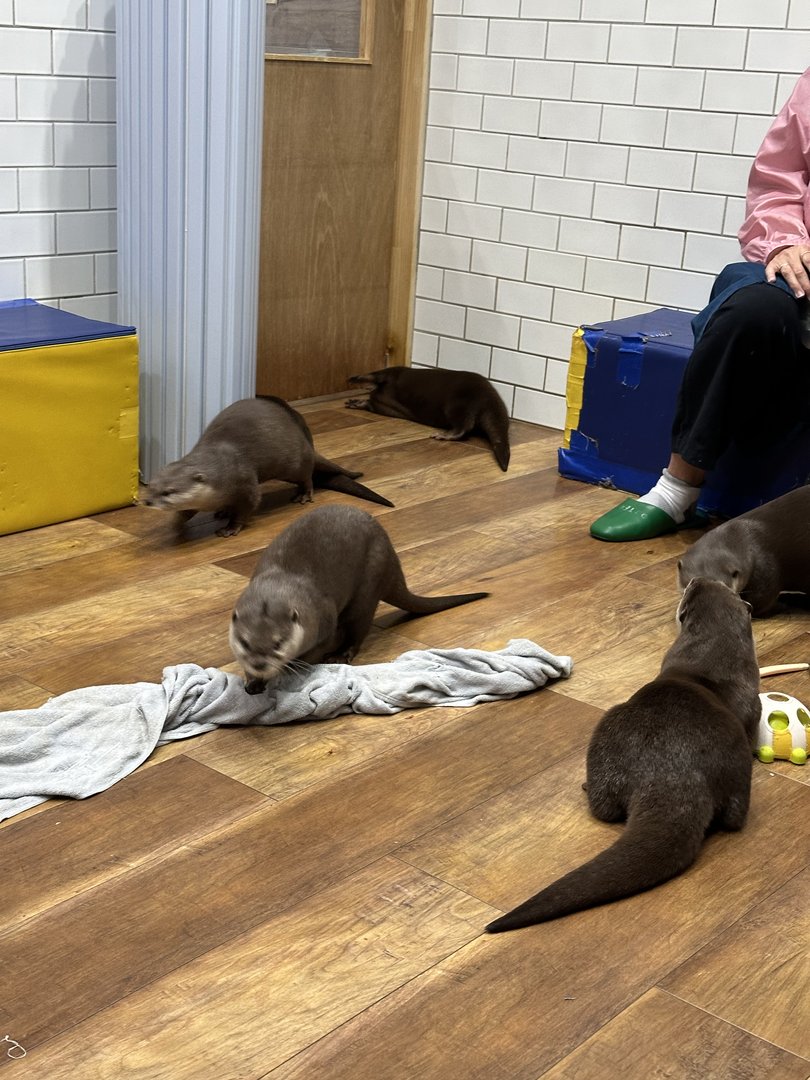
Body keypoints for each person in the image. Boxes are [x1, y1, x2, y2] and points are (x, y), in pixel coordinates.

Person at [590, 68, 810, 542]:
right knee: (750, 308)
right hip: (800, 268)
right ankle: (677, 492)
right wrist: (785, 244)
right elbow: (777, 182)